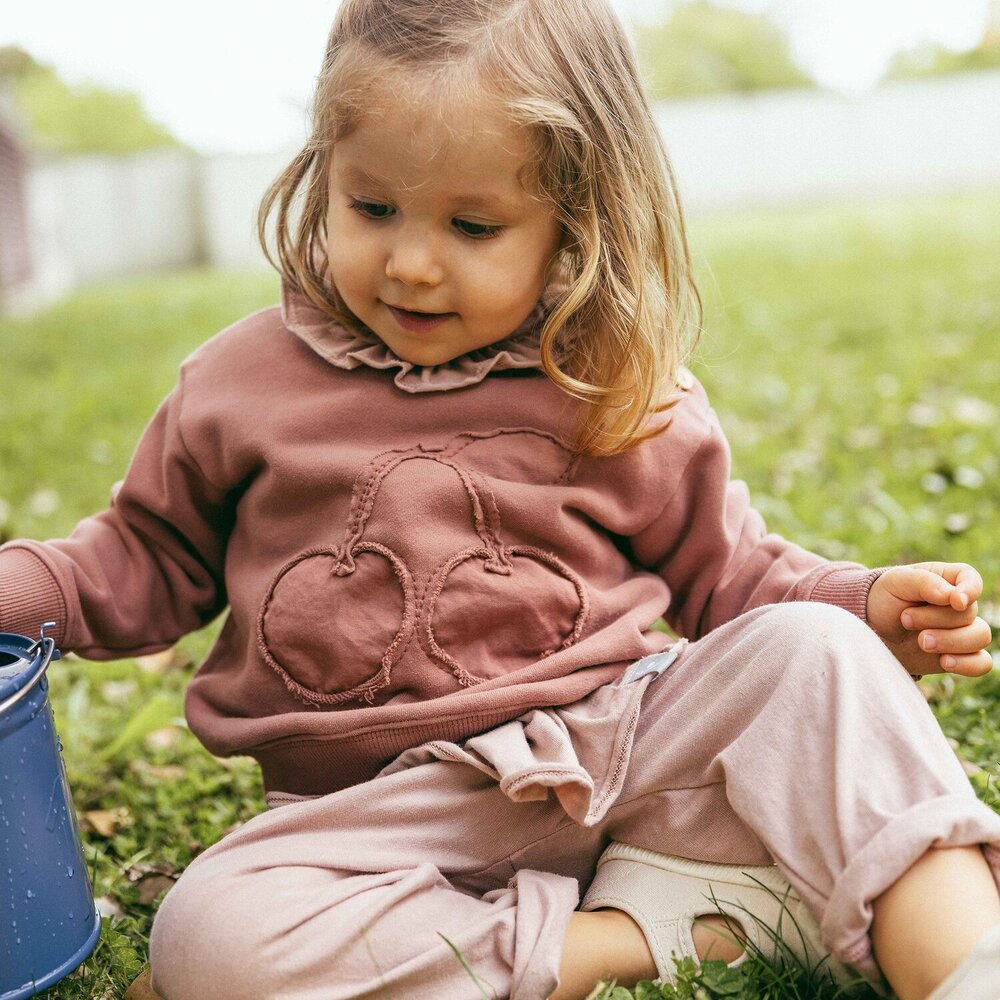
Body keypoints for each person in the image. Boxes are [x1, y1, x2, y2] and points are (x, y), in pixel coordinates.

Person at [3, 2, 999, 998]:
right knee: (211, 934)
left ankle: (964, 965)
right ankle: (641, 931)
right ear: (323, 173)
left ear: (576, 216)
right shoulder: (240, 385)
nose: (411, 261)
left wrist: (862, 606)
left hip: (619, 758)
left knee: (814, 656)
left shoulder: (612, 383)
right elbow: (138, 556)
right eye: (372, 207)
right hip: (383, 827)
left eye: (472, 226)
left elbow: (728, 570)